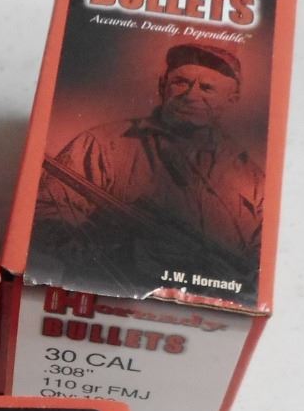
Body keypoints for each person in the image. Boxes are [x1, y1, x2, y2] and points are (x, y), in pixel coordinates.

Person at [33, 41, 266, 278]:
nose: (190, 95)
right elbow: (43, 215)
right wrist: (118, 250)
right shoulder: (104, 145)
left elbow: (262, 260)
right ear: (162, 86)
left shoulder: (251, 177)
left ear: (232, 99)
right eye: (181, 82)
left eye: (207, 88)